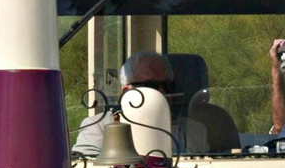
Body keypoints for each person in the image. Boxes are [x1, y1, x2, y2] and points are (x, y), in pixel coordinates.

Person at [72, 50, 207, 158]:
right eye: (150, 85)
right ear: (126, 91)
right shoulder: (99, 127)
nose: (161, 92)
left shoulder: (195, 131)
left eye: (167, 86)